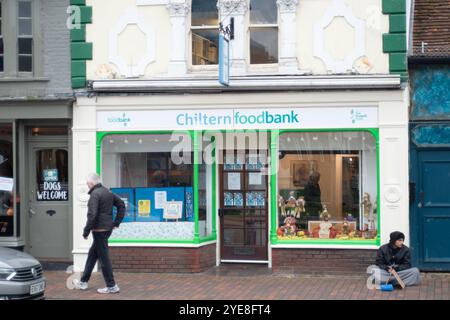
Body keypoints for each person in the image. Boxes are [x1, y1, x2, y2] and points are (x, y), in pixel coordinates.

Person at [73, 173, 125, 294]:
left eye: (87, 184)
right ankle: (83, 282)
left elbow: (92, 215)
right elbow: (121, 205)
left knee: (104, 258)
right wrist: (116, 222)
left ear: (91, 183)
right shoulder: (108, 192)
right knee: (92, 255)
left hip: (99, 230)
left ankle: (112, 286)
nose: (87, 186)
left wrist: (86, 231)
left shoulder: (95, 194)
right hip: (106, 229)